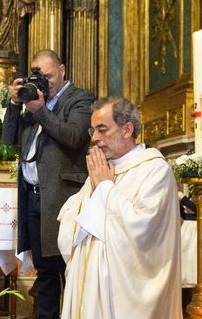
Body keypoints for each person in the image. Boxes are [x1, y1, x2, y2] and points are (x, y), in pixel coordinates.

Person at [57, 97, 182, 318]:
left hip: (122, 294)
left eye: (102, 129)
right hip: (90, 285)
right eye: (92, 131)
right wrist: (97, 190)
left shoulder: (154, 170)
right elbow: (73, 219)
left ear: (127, 130)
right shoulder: (103, 168)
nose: (95, 138)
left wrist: (104, 188)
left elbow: (143, 231)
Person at [2, 49, 94, 319]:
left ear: (62, 70)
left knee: (69, 269)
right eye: (38, 76)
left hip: (63, 197)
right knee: (44, 274)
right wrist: (13, 103)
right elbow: (9, 141)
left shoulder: (80, 98)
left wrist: (41, 110)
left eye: (49, 75)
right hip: (32, 198)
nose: (44, 81)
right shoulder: (33, 101)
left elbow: (75, 137)